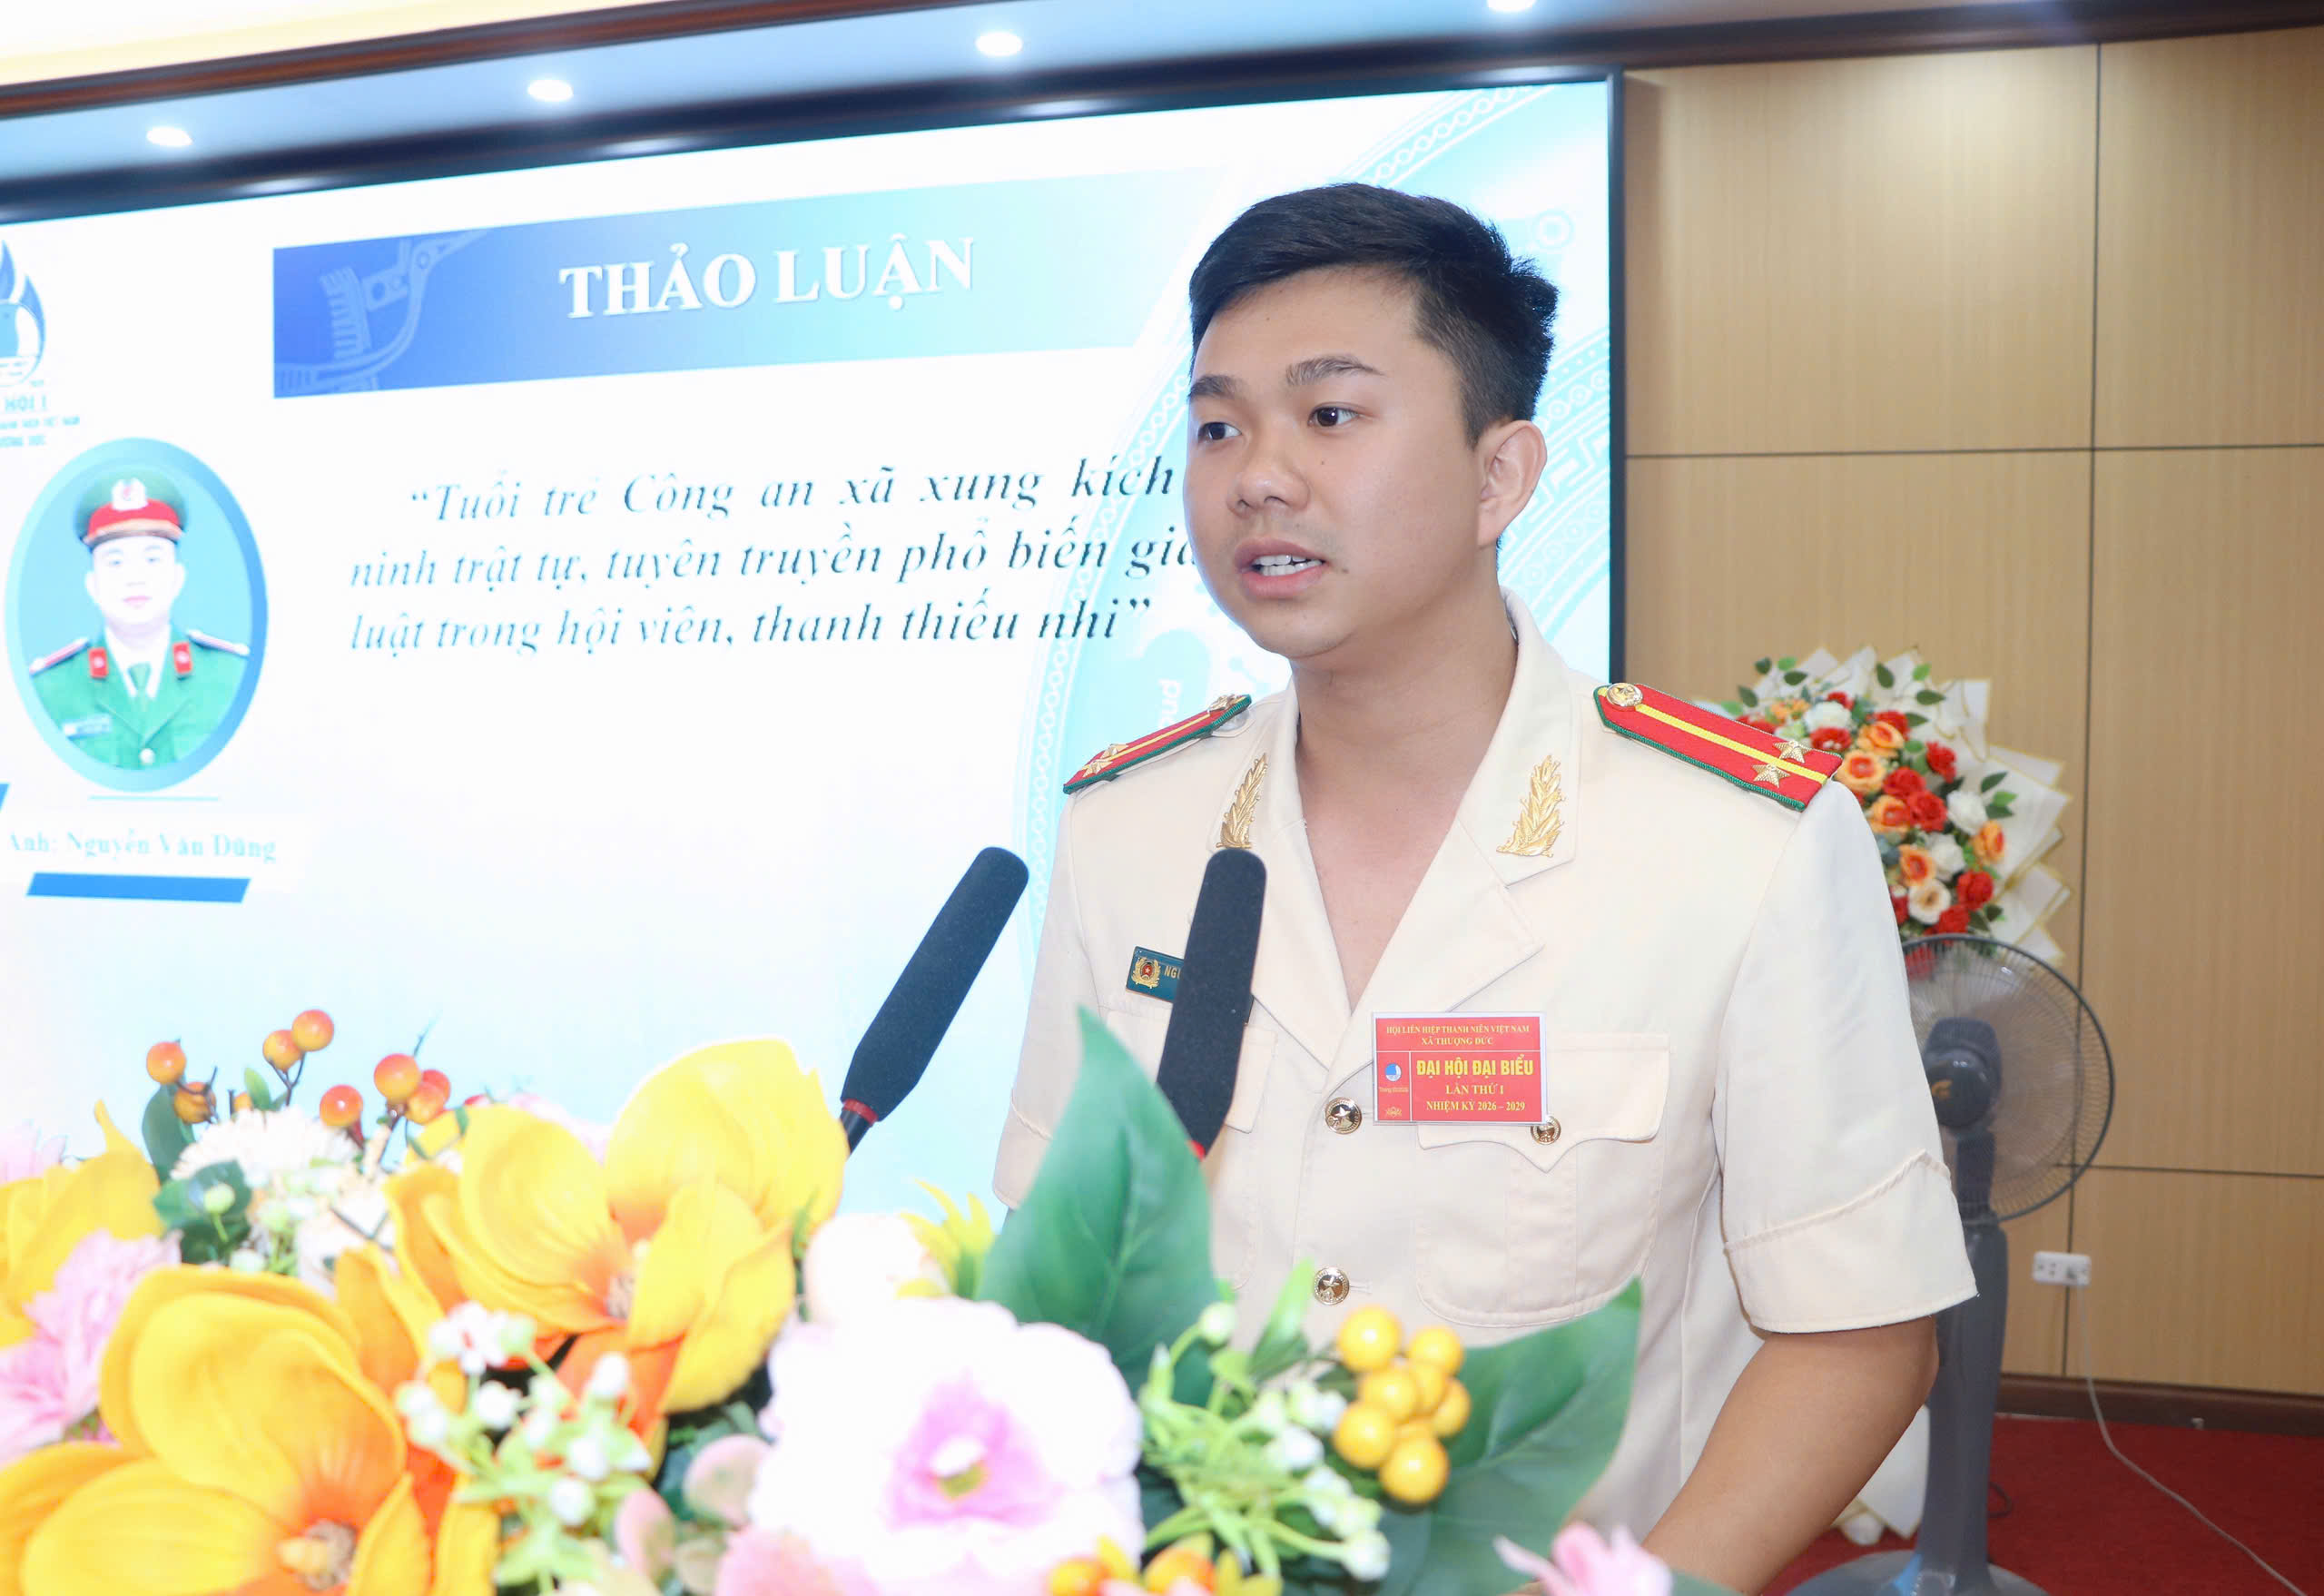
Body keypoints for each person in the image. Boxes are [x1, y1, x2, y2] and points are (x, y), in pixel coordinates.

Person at [996, 184, 1973, 1593]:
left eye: (1330, 413)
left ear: (1500, 477)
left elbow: (1860, 1330)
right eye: (1217, 427)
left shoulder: (1740, 843)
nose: (1258, 475)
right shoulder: (1126, 827)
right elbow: (1055, 1263)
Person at [27, 474, 248, 772]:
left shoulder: (231, 677)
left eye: (152, 560)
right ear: (92, 585)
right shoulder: (49, 689)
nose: (135, 578)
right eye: (115, 562)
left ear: (178, 578)